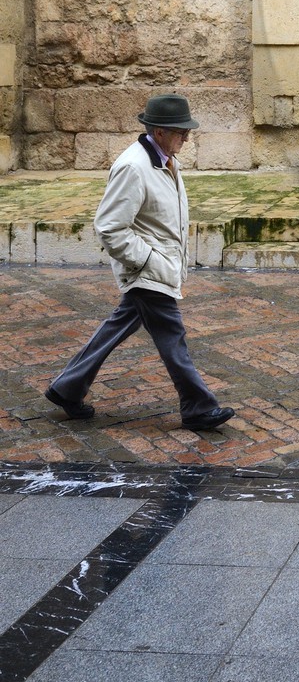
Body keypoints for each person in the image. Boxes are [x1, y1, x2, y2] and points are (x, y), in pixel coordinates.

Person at [44, 94, 235, 432]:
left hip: (158, 266)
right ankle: (198, 407)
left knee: (119, 325)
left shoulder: (165, 160)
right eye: (181, 131)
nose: (187, 137)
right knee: (172, 337)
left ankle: (67, 388)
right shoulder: (134, 166)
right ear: (159, 131)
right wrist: (147, 261)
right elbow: (109, 227)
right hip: (149, 270)